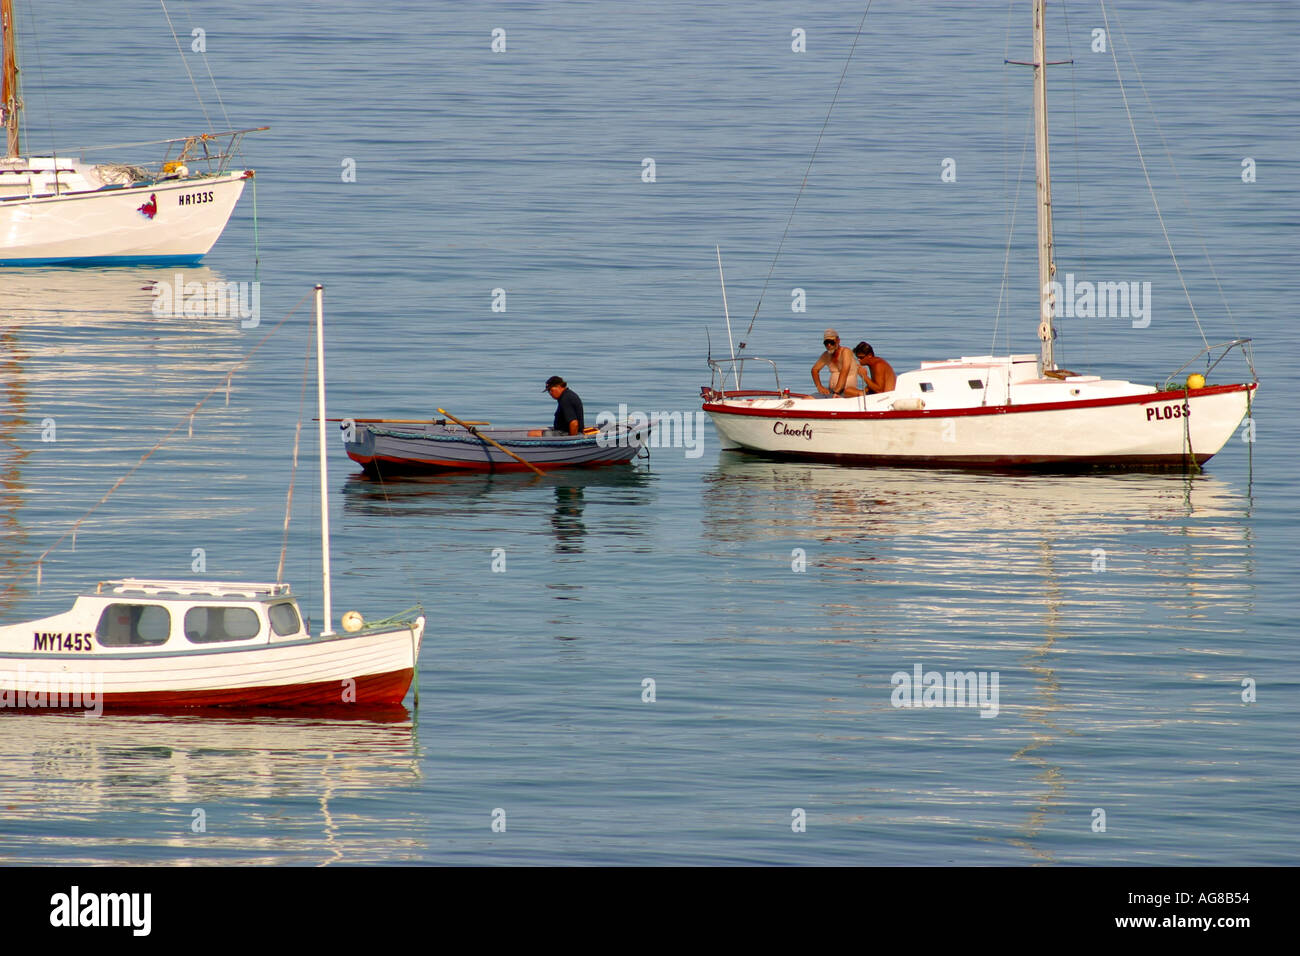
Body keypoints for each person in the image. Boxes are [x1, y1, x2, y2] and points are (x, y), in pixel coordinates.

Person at [811, 329, 862, 397]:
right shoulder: (826, 355)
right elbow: (814, 370)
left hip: (845, 392)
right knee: (807, 398)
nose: (829, 345)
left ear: (838, 341)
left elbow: (844, 371)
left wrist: (837, 391)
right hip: (831, 391)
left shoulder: (845, 352)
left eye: (832, 342)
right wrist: (819, 386)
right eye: (826, 343)